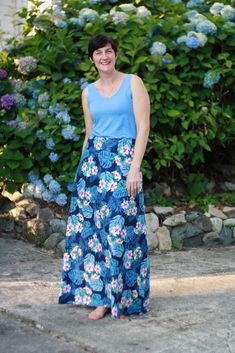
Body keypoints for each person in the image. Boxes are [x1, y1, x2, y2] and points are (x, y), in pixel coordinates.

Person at [58, 34, 150, 320]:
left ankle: (123, 298)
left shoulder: (133, 82)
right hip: (93, 166)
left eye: (109, 51)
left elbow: (143, 126)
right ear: (92, 59)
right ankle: (101, 298)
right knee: (95, 235)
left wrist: (134, 167)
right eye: (98, 53)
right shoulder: (88, 92)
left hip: (123, 162)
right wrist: (82, 172)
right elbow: (89, 133)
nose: (104, 57)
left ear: (115, 54)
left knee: (121, 231)